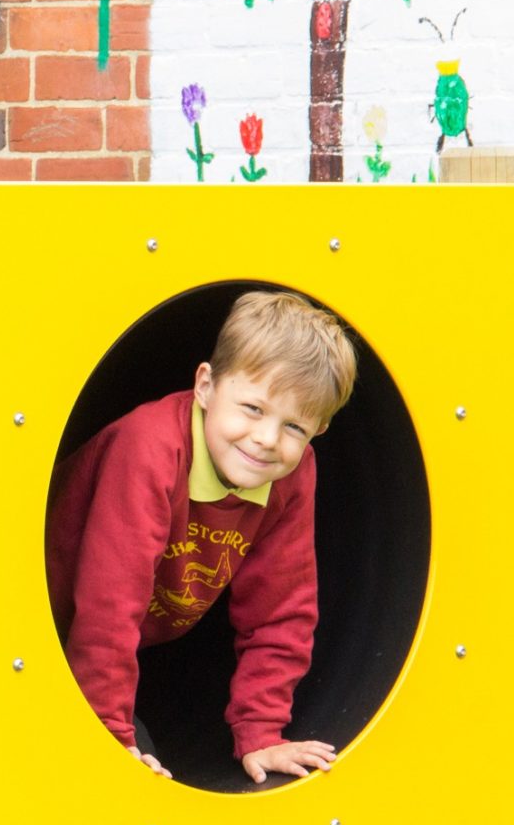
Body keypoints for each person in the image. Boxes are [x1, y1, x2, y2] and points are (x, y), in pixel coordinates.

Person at [44, 289, 356, 785]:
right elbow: (110, 603)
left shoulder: (289, 477)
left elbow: (283, 608)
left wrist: (261, 731)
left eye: (293, 425)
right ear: (206, 386)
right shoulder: (150, 449)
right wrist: (110, 734)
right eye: (252, 408)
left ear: (319, 429)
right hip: (40, 625)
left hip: (123, 647)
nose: (266, 439)